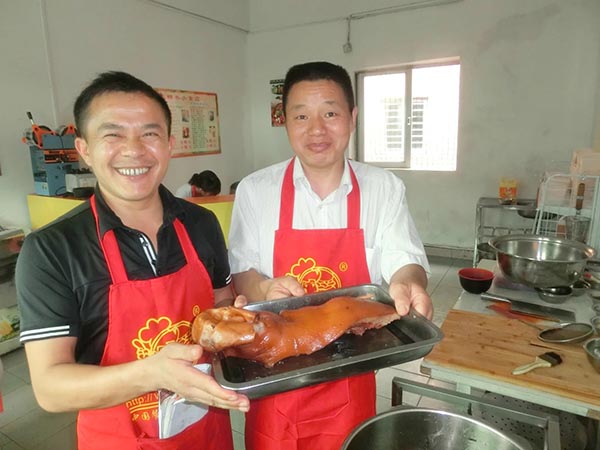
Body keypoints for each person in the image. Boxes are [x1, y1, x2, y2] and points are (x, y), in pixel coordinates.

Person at [15, 71, 248, 450]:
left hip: (206, 432)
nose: (134, 150)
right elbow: (50, 388)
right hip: (117, 440)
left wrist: (239, 316)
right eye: (113, 135)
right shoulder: (52, 250)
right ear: (84, 149)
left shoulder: (201, 224)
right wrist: (152, 373)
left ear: (170, 144)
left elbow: (222, 300)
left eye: (150, 134)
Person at [228, 61, 432, 450]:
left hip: (351, 371)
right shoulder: (256, 190)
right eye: (301, 116)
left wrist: (410, 282)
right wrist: (265, 286)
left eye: (330, 113)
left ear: (352, 118)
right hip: (278, 371)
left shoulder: (383, 188)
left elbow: (403, 257)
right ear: (284, 121)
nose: (316, 129)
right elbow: (242, 270)